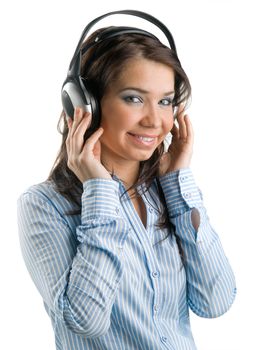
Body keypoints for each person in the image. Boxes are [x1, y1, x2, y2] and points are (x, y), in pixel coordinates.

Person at [17, 10, 236, 350]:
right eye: (134, 98)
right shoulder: (44, 206)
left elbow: (216, 300)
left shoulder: (166, 194)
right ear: (83, 104)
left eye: (165, 101)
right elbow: (84, 321)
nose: (154, 120)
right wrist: (100, 192)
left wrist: (179, 184)